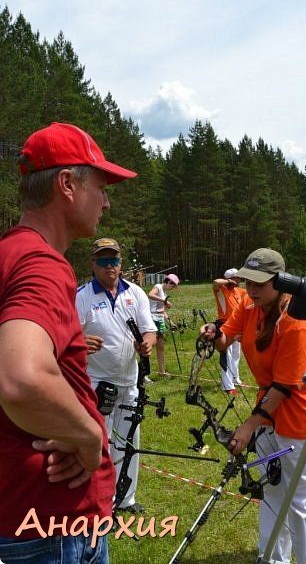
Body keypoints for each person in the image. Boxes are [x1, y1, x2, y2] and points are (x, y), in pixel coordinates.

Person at [0, 122, 136, 563]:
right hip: (54, 521)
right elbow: (21, 377)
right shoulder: (42, 264)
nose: (106, 201)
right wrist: (88, 435)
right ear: (66, 184)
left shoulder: (8, 255)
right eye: (100, 185)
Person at [202, 248, 306, 564]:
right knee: (271, 487)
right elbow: (225, 337)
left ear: (280, 281)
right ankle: (270, 557)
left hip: (298, 412)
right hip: (267, 407)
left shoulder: (295, 320)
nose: (252, 289)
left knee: (300, 497)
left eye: (259, 283)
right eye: (248, 282)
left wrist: (247, 426)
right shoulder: (249, 304)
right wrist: (214, 331)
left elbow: (284, 386)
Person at [76, 237, 157, 514]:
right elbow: (67, 336)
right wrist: (81, 343)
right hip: (96, 382)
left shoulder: (136, 293)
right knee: (101, 442)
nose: (109, 266)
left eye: (114, 260)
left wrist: (147, 343)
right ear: (93, 264)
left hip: (129, 381)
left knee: (130, 439)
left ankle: (126, 499)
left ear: (121, 263)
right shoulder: (82, 295)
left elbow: (150, 330)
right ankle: (100, 500)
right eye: (103, 260)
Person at [212, 267, 246, 394]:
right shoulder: (221, 290)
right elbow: (216, 282)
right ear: (230, 279)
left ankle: (235, 379)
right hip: (225, 325)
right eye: (236, 278)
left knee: (236, 355)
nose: (239, 280)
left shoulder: (238, 291)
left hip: (237, 326)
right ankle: (227, 386)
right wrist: (228, 282)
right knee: (227, 355)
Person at [148, 274, 180, 376]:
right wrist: (164, 301)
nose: (173, 288)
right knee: (149, 346)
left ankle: (162, 372)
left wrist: (170, 322)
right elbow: (150, 295)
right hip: (152, 319)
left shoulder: (165, 293)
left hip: (160, 320)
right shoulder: (158, 287)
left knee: (161, 346)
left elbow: (162, 311)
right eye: (173, 285)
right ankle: (144, 374)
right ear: (168, 281)